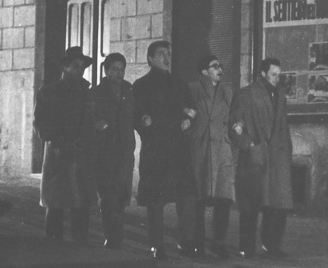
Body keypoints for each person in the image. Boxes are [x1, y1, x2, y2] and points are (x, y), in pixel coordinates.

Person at [133, 40, 199, 259]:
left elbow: (191, 110)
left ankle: (186, 241)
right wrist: (143, 121)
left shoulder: (179, 84)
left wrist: (189, 120)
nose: (166, 58)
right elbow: (135, 115)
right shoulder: (141, 85)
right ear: (150, 59)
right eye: (161, 54)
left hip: (179, 150)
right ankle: (156, 243)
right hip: (156, 150)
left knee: (186, 198)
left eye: (168, 54)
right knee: (156, 199)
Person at [228, 58, 294, 261]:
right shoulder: (246, 94)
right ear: (263, 74)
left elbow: (283, 123)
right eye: (274, 74)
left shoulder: (280, 95)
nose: (277, 78)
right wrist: (248, 145)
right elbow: (233, 124)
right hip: (256, 156)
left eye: (279, 75)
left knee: (277, 204)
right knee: (251, 204)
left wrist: (288, 148)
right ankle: (246, 246)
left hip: (278, 156)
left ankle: (271, 244)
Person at [34, 46, 97, 243]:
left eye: (82, 67)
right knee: (56, 205)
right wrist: (65, 141)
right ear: (65, 67)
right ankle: (54, 253)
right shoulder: (49, 92)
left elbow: (92, 121)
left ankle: (81, 250)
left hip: (83, 156)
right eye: (75, 66)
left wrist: (87, 139)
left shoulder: (88, 93)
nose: (80, 70)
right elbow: (41, 126)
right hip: (59, 157)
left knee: (82, 206)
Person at [185, 55, 236, 258]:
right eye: (215, 67)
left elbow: (234, 117)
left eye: (220, 66)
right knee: (199, 200)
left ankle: (219, 242)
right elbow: (183, 115)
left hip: (223, 151)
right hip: (201, 150)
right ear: (204, 71)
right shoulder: (192, 89)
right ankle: (197, 244)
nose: (220, 70)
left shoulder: (227, 92)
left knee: (224, 199)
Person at [88, 53, 135, 249]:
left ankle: (118, 236)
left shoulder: (129, 90)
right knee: (108, 195)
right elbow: (88, 120)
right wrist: (96, 125)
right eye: (114, 69)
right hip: (105, 153)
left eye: (122, 69)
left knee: (122, 194)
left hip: (125, 152)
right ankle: (110, 236)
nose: (119, 73)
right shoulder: (96, 93)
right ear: (106, 71)